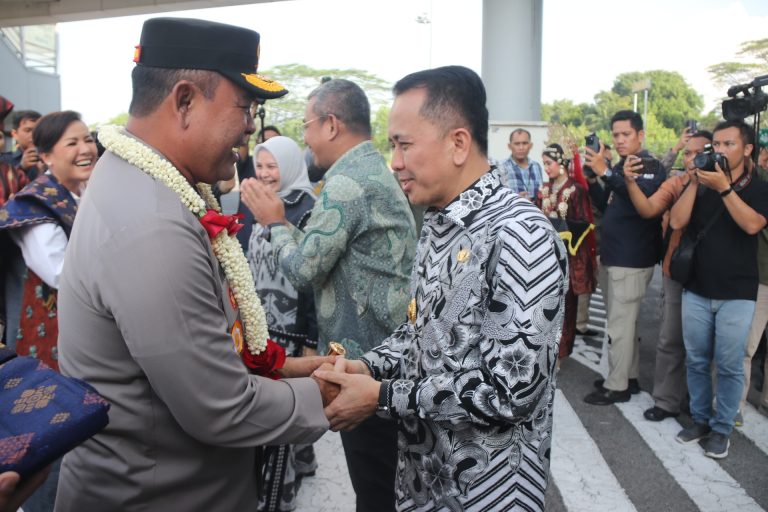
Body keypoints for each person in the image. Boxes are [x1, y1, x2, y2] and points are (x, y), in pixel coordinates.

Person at [54, 18, 334, 511]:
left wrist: (290, 371)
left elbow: (200, 352)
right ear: (184, 101)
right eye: (244, 108)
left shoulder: (147, 185)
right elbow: (220, 409)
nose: (250, 125)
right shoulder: (152, 225)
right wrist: (333, 396)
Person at [314, 65, 567, 512]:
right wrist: (366, 367)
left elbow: (511, 393)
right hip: (424, 481)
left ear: (458, 143)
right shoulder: (440, 222)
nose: (395, 162)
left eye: (404, 144)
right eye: (393, 145)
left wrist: (383, 396)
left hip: (484, 495)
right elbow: (422, 334)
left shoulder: (519, 235)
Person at [241, 78, 417, 512]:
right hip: (383, 356)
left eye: (307, 126)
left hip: (367, 362)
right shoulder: (366, 170)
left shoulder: (345, 184)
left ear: (332, 125)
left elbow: (302, 269)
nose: (306, 139)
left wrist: (275, 222)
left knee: (375, 486)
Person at [670, 119, 768, 458]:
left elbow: (752, 224)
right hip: (697, 287)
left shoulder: (758, 186)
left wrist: (725, 188)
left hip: (737, 293)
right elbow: (676, 222)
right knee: (696, 361)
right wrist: (696, 183)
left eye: (729, 144)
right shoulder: (704, 182)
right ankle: (700, 420)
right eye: (718, 145)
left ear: (748, 149)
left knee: (728, 364)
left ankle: (722, 428)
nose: (722, 151)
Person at [246, 135, 319, 511]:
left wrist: (309, 337)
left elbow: (311, 281)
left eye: (272, 166)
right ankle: (297, 468)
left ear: (289, 165)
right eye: (260, 165)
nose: (265, 173)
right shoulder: (254, 204)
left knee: (282, 416)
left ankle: (277, 497)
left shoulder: (307, 209)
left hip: (290, 332)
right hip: (259, 328)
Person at [623, 130, 713, 421]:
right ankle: (665, 400)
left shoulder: (727, 185)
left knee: (706, 346)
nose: (692, 159)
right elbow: (651, 210)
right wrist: (629, 182)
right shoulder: (677, 183)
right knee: (670, 339)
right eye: (687, 153)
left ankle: (698, 401)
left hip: (715, 275)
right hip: (677, 271)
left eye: (699, 153)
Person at [582, 110, 665, 405]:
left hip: (632, 258)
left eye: (625, 134)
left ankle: (616, 386)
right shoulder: (622, 165)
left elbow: (639, 197)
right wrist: (594, 179)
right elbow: (611, 202)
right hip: (615, 255)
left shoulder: (650, 165)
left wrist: (607, 172)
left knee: (620, 326)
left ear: (640, 135)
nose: (618, 140)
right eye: (615, 135)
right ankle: (627, 378)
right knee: (623, 326)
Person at [537, 143, 597, 360]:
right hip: (545, 257)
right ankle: (545, 350)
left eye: (549, 163)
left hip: (567, 257)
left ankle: (561, 354)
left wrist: (557, 225)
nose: (546, 168)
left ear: (561, 163)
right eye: (543, 163)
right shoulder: (545, 187)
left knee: (566, 307)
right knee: (545, 304)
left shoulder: (575, 189)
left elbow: (583, 222)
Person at [500, 128, 543, 200]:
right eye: (517, 144)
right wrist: (515, 199)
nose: (521, 147)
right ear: (509, 146)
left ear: (530, 145)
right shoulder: (501, 168)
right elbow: (496, 199)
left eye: (525, 143)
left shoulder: (536, 166)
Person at [5, 110, 43, 181]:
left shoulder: (51, 160)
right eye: (28, 130)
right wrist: (21, 168)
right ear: (15, 134)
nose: (34, 135)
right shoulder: (4, 161)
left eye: (38, 130)